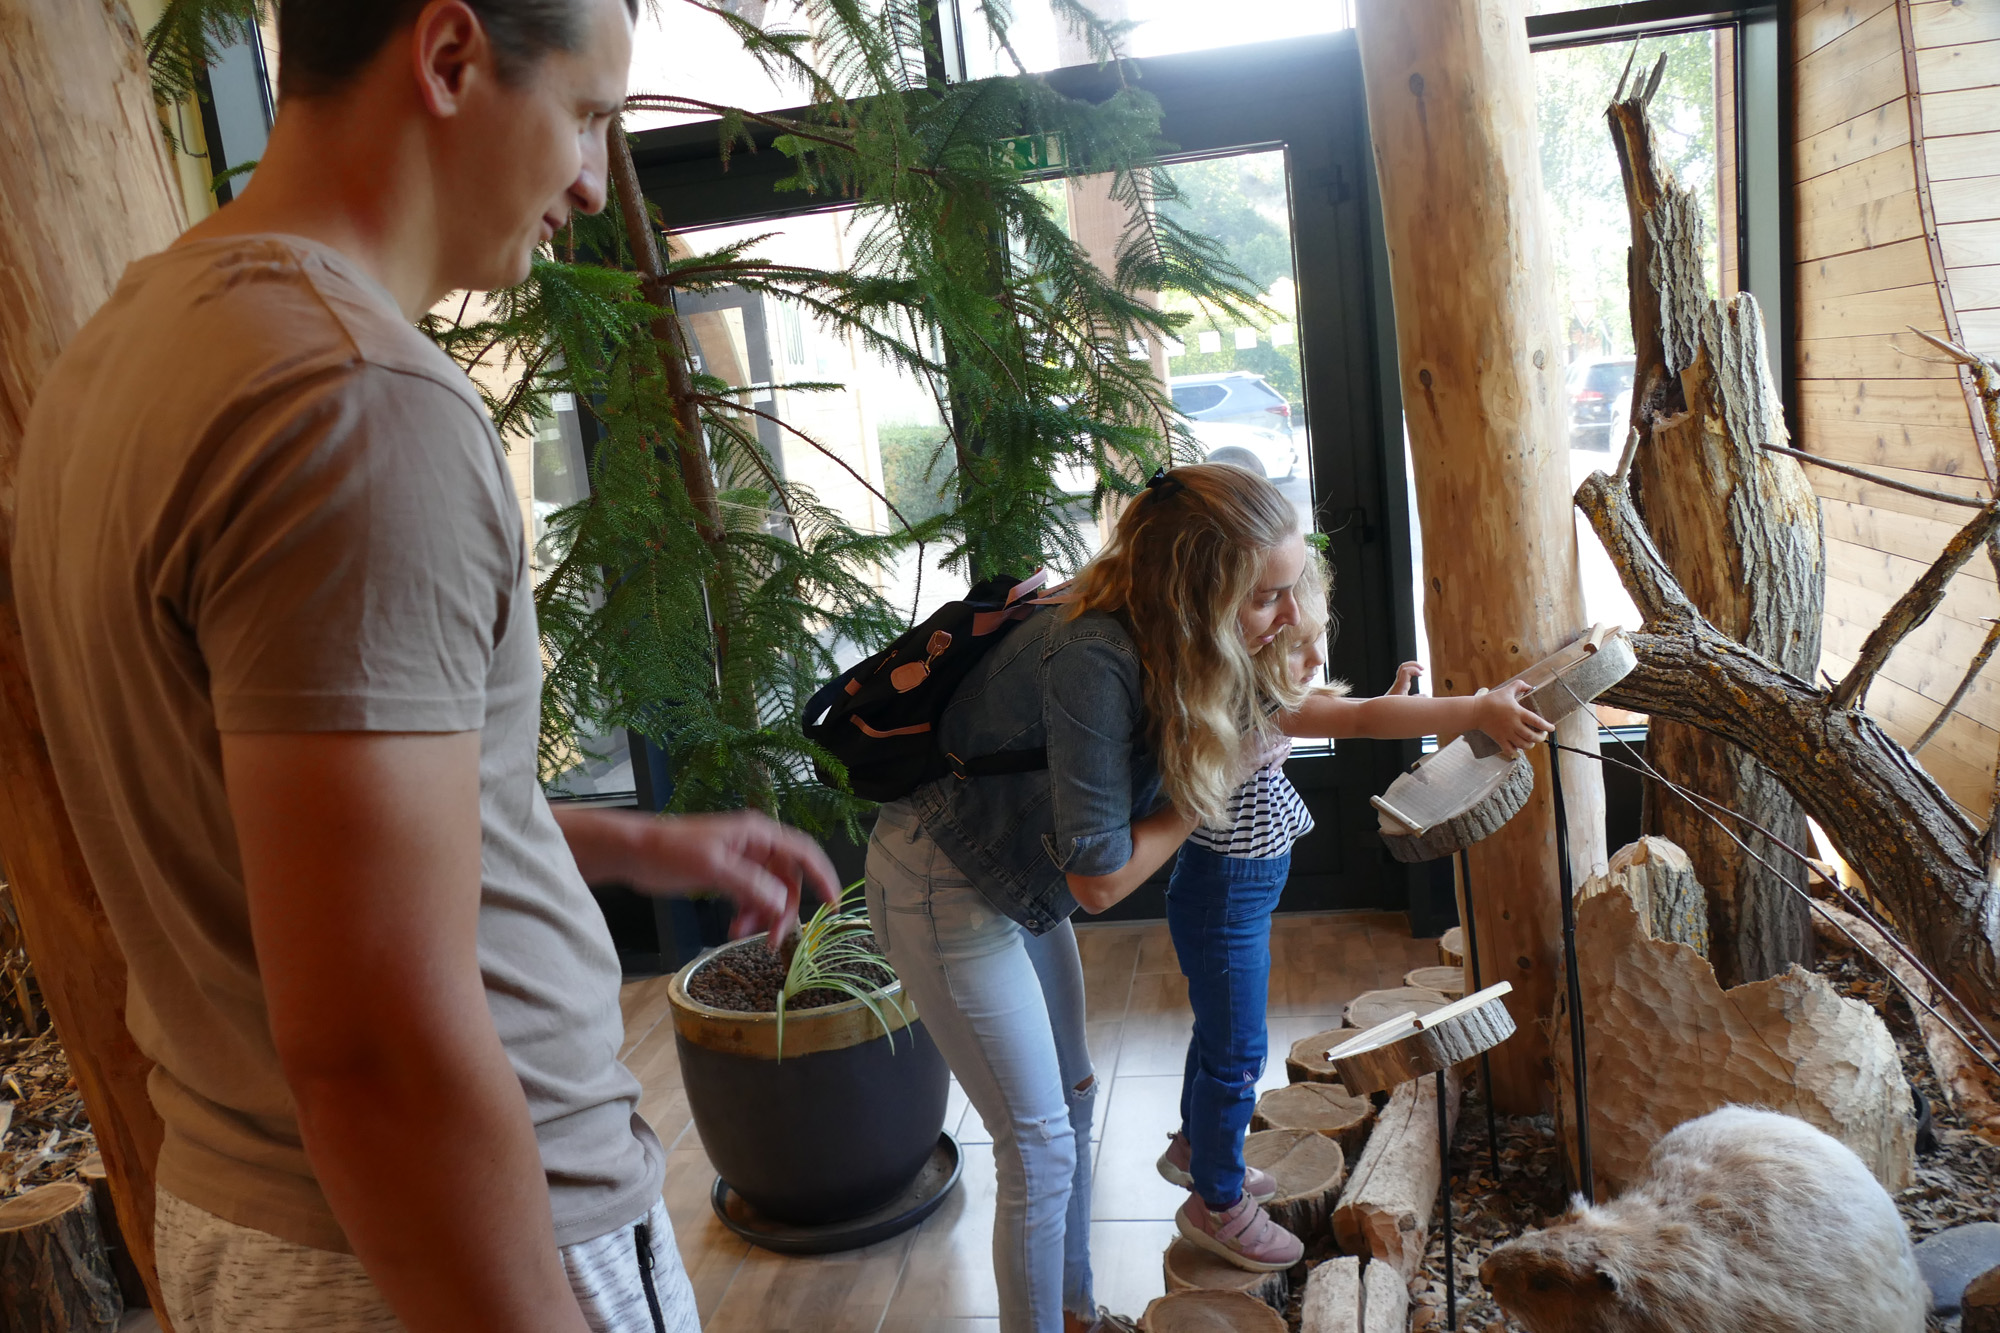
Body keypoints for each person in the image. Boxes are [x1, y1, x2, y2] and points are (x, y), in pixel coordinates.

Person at [11, 3, 840, 1331]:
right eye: (585, 115)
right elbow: (374, 1049)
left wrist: (624, 841)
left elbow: (276, 838)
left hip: (263, 1217)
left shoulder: (127, 347)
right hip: (432, 1252)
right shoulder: (355, 399)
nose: (592, 182)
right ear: (449, 57)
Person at [866, 463, 1312, 1333]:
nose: (1290, 614)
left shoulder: (1167, 629)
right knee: (1037, 1148)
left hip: (1011, 877)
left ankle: (1075, 1315)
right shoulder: (1092, 657)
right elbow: (1100, 879)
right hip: (942, 883)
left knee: (1070, 1103)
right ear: (1195, 592)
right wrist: (1213, 781)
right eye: (1267, 596)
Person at [1154, 546, 1548, 1270]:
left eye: (1318, 638)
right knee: (1237, 1050)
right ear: (1247, 641)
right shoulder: (1252, 699)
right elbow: (1361, 718)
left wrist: (1394, 696)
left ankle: (1196, 1148)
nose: (1314, 657)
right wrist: (1477, 709)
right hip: (1224, 897)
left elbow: (1352, 711)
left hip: (1228, 893)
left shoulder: (1252, 692)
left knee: (1220, 1036)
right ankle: (1216, 1199)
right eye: (1297, 645)